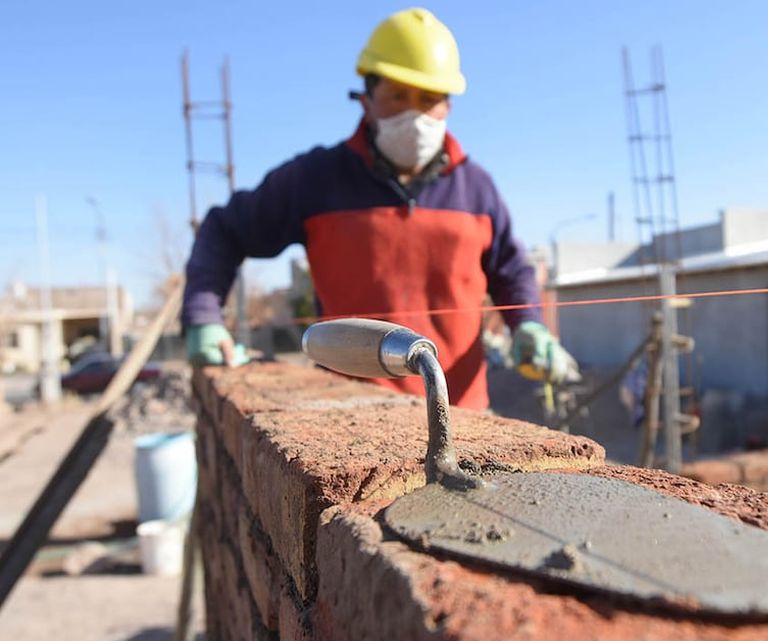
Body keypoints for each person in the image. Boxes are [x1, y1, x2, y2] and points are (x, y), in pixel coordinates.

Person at [182, 7, 574, 409]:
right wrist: (203, 317)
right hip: (350, 413)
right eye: (397, 96)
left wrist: (529, 324)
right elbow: (224, 230)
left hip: (464, 415)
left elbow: (511, 270)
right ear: (367, 99)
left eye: (428, 99)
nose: (415, 115)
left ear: (448, 107)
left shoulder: (477, 188)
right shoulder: (316, 178)